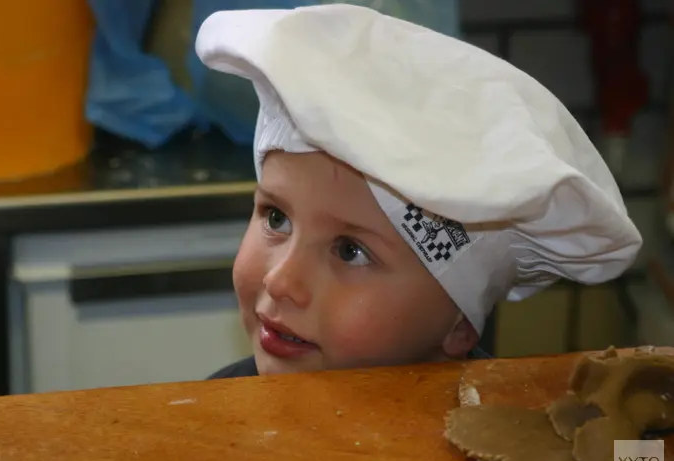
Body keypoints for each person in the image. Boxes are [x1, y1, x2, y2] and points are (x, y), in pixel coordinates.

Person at [195, 4, 643, 379]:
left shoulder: (509, 444)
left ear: (459, 327)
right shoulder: (212, 410)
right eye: (276, 219)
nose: (280, 281)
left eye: (350, 251)